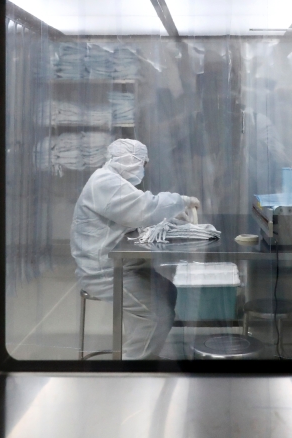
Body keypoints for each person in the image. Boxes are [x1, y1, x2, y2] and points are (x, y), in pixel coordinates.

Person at [71, 138, 200, 359]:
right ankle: (133, 368)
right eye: (142, 162)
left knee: (168, 291)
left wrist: (170, 215)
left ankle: (142, 351)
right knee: (157, 315)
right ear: (130, 160)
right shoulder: (105, 182)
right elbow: (142, 209)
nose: (143, 168)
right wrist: (181, 201)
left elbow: (134, 211)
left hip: (117, 265)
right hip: (104, 272)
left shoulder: (113, 181)